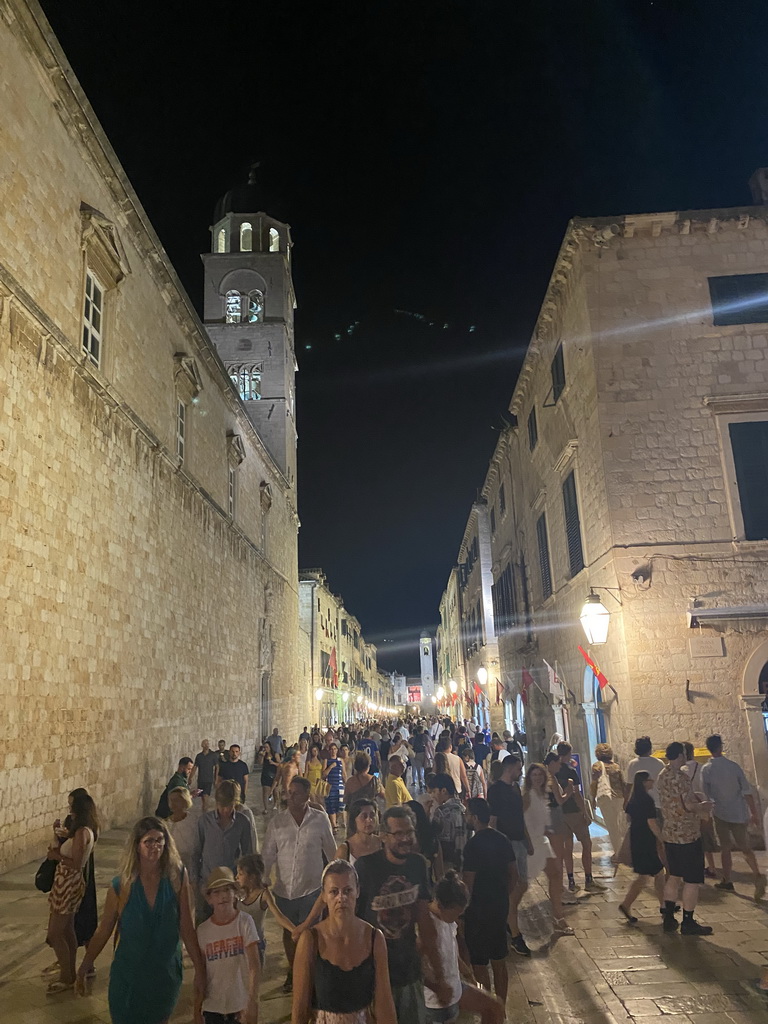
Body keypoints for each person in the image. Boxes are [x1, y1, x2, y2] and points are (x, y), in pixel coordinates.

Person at [75, 817, 205, 1023]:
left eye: (160, 840)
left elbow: (187, 927)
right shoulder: (122, 886)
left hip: (164, 975)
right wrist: (85, 964)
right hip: (130, 978)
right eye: (149, 841)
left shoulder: (176, 877)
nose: (155, 846)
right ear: (137, 845)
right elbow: (104, 930)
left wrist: (200, 969)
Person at [356, 806, 447, 1023]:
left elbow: (424, 921)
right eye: (399, 834)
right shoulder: (365, 868)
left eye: (410, 832)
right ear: (384, 837)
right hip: (373, 976)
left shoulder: (417, 865)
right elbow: (352, 924)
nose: (406, 839)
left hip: (408, 972)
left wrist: (439, 974)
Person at [292, 859, 397, 1024]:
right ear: (324, 897)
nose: (342, 898)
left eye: (348, 890)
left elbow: (384, 1002)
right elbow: (300, 1009)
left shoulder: (374, 938)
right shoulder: (310, 941)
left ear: (358, 892)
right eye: (334, 891)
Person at [263, 776, 337, 993]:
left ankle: (311, 973)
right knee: (289, 933)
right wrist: (264, 880)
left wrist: (334, 880)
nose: (291, 796)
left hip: (311, 888)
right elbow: (268, 853)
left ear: (306, 795)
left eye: (296, 792)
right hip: (284, 888)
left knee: (311, 933)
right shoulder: (277, 822)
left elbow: (331, 852)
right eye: (289, 791)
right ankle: (293, 970)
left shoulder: (320, 819)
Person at [423, 872, 504, 1024]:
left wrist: (467, 973)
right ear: (440, 905)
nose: (458, 918)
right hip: (435, 1000)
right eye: (456, 913)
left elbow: (451, 950)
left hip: (455, 987)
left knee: (494, 1007)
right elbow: (415, 967)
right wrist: (438, 987)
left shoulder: (447, 919)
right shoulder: (425, 927)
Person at [45, 788, 99, 993]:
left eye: (72, 806)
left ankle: (66, 975)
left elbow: (76, 863)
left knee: (55, 933)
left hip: (68, 883)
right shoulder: (82, 831)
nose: (70, 810)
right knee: (67, 930)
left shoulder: (83, 832)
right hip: (65, 882)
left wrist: (56, 856)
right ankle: (69, 973)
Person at [657, 741, 713, 935]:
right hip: (687, 834)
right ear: (680, 755)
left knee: (673, 876)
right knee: (691, 880)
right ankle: (688, 921)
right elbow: (687, 805)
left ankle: (669, 917)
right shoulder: (680, 777)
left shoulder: (662, 775)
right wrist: (703, 806)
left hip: (670, 832)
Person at [463, 798, 515, 1006]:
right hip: (499, 906)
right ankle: (501, 1006)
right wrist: (503, 895)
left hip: (477, 910)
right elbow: (514, 874)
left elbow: (468, 882)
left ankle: (488, 1007)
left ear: (475, 818)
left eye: (467, 814)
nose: (466, 817)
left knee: (479, 963)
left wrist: (462, 911)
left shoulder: (472, 845)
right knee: (499, 959)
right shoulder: (502, 839)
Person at [701, 733, 765, 900]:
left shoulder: (706, 769)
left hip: (720, 813)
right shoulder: (733, 766)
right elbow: (746, 792)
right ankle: (757, 874)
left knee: (725, 848)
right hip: (738, 813)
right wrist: (754, 813)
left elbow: (706, 795)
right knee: (745, 847)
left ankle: (727, 880)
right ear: (721, 747)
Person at [195, 866, 260, 1024]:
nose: (222, 896)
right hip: (213, 1006)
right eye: (216, 892)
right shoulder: (203, 931)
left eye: (227, 890)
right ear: (209, 899)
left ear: (235, 894)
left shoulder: (244, 922)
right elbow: (201, 972)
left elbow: (254, 965)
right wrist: (197, 1008)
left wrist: (252, 1002)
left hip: (239, 1005)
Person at [488, 754, 533, 955]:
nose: (521, 772)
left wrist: (527, 840)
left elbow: (520, 817)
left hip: (519, 842)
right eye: (519, 768)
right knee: (516, 886)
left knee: (521, 885)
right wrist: (495, 846)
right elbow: (493, 820)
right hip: (506, 844)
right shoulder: (496, 790)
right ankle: (515, 934)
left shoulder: (515, 788)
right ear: (510, 768)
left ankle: (508, 918)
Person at [523, 763, 572, 934]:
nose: (537, 778)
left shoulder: (543, 794)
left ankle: (558, 917)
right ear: (529, 778)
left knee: (556, 875)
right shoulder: (527, 796)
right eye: (534, 775)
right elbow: (522, 820)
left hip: (541, 842)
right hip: (532, 844)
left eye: (540, 775)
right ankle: (510, 919)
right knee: (519, 886)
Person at [191, 779, 255, 902]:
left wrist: (245, 884)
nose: (225, 810)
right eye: (222, 806)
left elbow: (248, 854)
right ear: (216, 802)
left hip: (231, 884)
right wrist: (195, 881)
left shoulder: (242, 822)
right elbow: (196, 852)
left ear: (235, 803)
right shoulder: (205, 821)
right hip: (207, 883)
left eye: (229, 806)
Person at [555, 741, 605, 894]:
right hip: (574, 812)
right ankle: (589, 880)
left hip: (560, 814)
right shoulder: (571, 771)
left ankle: (571, 881)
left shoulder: (553, 772)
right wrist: (585, 813)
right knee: (586, 844)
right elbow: (577, 794)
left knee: (567, 848)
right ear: (568, 754)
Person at [618, 771, 666, 924]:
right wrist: (662, 838)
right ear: (645, 782)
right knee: (654, 874)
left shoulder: (633, 799)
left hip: (637, 839)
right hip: (646, 840)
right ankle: (663, 907)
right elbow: (651, 823)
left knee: (645, 876)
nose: (652, 782)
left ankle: (662, 905)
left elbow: (630, 817)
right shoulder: (647, 800)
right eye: (650, 780)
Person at [236, 852, 296, 965]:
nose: (237, 877)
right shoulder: (236, 892)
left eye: (240, 874)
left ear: (252, 877)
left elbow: (279, 916)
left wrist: (294, 930)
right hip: (238, 944)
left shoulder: (263, 895)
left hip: (256, 943)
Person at [682, 742, 718, 879]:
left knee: (692, 838)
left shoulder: (682, 770)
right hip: (704, 807)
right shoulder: (702, 767)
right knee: (706, 839)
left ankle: (694, 865)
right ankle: (712, 867)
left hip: (690, 809)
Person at [590, 743, 627, 860]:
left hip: (605, 799)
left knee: (612, 827)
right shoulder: (616, 767)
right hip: (619, 798)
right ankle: (622, 852)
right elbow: (623, 784)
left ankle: (618, 853)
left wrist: (592, 800)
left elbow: (594, 784)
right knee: (620, 826)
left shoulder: (597, 766)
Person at [431, 773, 467, 872]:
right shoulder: (464, 809)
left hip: (446, 863)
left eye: (434, 791)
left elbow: (434, 839)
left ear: (443, 791)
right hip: (464, 861)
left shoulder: (440, 812)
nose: (433, 796)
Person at [165, 786, 199, 878]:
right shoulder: (166, 825)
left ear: (185, 801)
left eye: (176, 800)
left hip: (191, 867)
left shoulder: (194, 821)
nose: (172, 804)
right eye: (171, 800)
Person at [626, 736, 665, 815]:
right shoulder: (659, 763)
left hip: (638, 803)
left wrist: (626, 800)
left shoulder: (632, 764)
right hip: (656, 802)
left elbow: (629, 785)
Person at [337, 799, 383, 863]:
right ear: (354, 820)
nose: (369, 820)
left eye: (372, 815)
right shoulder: (345, 849)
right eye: (364, 816)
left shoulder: (383, 844)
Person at [322, 741, 347, 830]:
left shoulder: (341, 761)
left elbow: (343, 774)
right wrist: (331, 767)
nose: (333, 751)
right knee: (331, 805)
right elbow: (324, 774)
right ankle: (334, 826)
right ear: (329, 751)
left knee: (340, 806)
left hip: (339, 786)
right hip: (330, 786)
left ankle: (335, 821)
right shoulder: (327, 761)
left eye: (335, 749)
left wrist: (346, 784)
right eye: (331, 749)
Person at [191, 740, 219, 812]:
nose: (206, 745)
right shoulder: (199, 756)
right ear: (202, 745)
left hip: (209, 779)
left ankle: (205, 813)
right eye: (205, 744)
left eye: (207, 744)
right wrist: (190, 777)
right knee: (203, 798)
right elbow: (195, 767)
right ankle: (205, 810)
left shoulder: (213, 755)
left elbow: (217, 767)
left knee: (205, 796)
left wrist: (216, 779)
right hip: (201, 779)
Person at [260, 744, 279, 813]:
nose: (266, 748)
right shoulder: (263, 755)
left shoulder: (275, 755)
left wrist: (273, 763)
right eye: (264, 747)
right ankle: (266, 808)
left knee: (275, 791)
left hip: (274, 774)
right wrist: (262, 756)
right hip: (265, 774)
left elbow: (279, 764)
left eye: (267, 747)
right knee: (265, 791)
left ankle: (275, 804)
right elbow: (260, 763)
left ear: (270, 747)